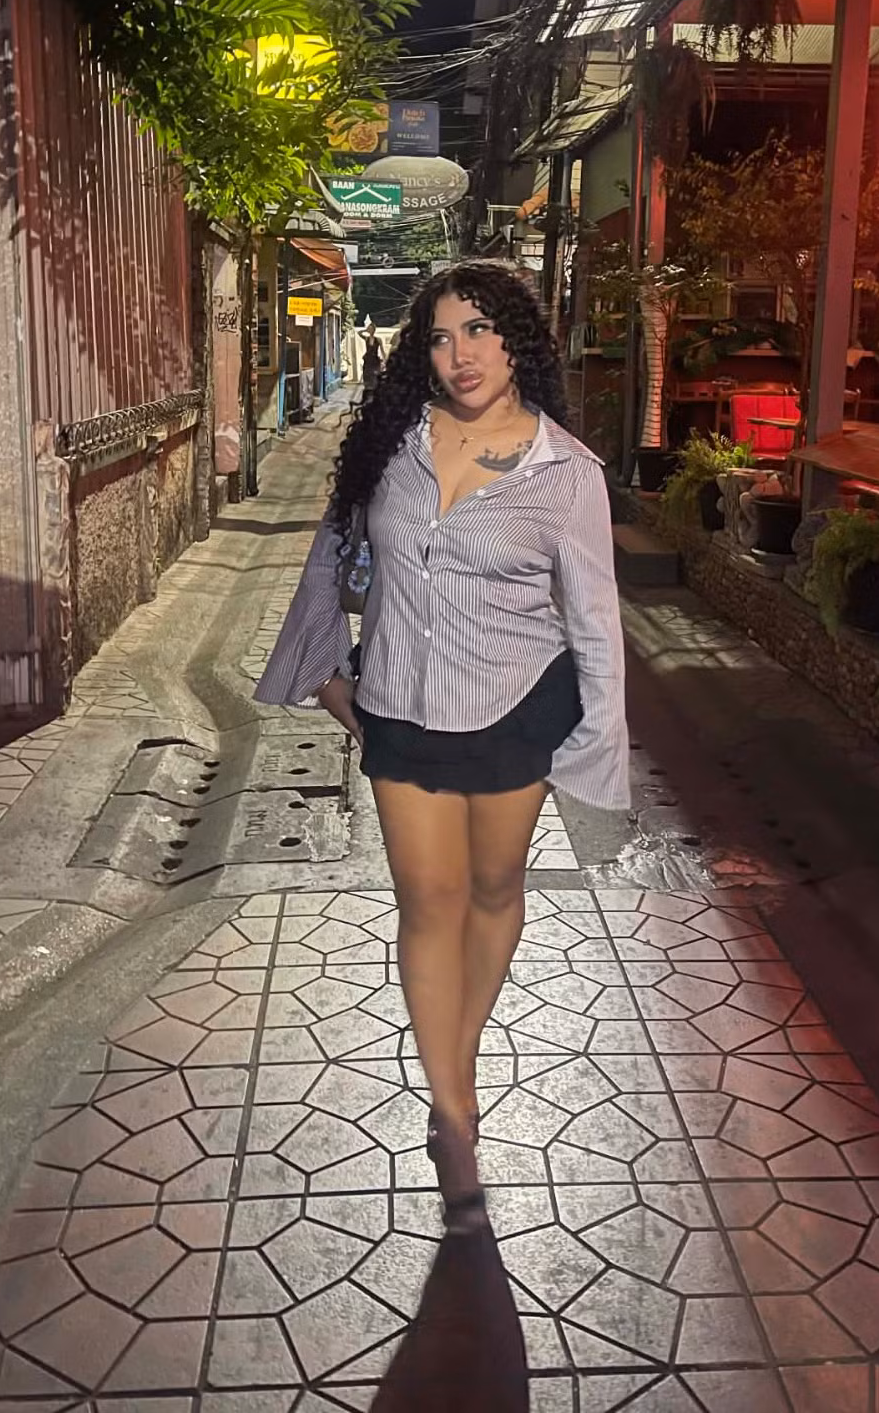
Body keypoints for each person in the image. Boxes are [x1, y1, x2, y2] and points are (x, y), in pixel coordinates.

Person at [254, 260, 630, 1232]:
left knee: (493, 892)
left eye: (480, 330)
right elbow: (331, 563)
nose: (460, 354)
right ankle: (455, 1115)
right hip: (401, 710)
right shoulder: (391, 446)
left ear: (518, 343)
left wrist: (597, 751)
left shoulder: (564, 474)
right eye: (440, 336)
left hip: (516, 709)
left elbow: (595, 623)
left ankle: (451, 1067)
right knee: (428, 903)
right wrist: (327, 675)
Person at [361, 323, 383, 394]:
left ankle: (374, 389)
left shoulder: (378, 339)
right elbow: (359, 333)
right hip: (367, 359)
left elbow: (382, 350)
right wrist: (365, 330)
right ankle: (367, 389)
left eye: (371, 329)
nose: (370, 330)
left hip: (374, 359)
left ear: (374, 330)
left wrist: (385, 360)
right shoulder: (366, 338)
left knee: (374, 375)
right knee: (366, 374)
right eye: (369, 329)